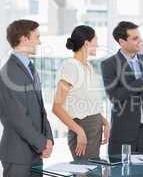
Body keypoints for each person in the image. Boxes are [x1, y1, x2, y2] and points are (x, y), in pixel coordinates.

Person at [101, 21, 143, 156]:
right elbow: (114, 97)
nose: (140, 40)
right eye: (135, 38)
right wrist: (142, 82)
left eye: (139, 37)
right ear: (122, 42)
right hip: (123, 134)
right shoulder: (109, 64)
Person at [0, 19, 53, 177]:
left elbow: (41, 109)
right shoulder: (9, 71)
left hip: (35, 154)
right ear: (24, 39)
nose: (39, 41)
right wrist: (43, 143)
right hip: (18, 156)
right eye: (36, 37)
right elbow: (18, 118)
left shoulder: (30, 68)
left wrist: (49, 139)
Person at [52, 25, 109, 160]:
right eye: (96, 40)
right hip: (83, 131)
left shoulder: (88, 66)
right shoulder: (71, 67)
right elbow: (57, 107)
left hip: (94, 130)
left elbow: (88, 105)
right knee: (86, 172)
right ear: (86, 43)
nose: (98, 44)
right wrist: (79, 131)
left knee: (94, 172)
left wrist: (105, 122)